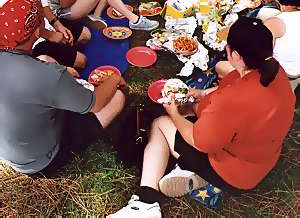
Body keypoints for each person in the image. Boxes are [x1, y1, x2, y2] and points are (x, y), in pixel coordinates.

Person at [108, 17, 295, 218]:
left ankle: (146, 204)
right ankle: (191, 172)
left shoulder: (231, 101)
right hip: (262, 157)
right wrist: (201, 96)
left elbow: (199, 141)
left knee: (160, 124)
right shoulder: (276, 72)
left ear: (237, 55)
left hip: (236, 174)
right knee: (188, 111)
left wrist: (172, 113)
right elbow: (231, 98)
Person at [0, 0, 126, 175]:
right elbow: (96, 103)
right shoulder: (47, 76)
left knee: (45, 59)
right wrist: (114, 77)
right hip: (40, 160)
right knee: (117, 98)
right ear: (36, 32)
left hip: (11, 149)